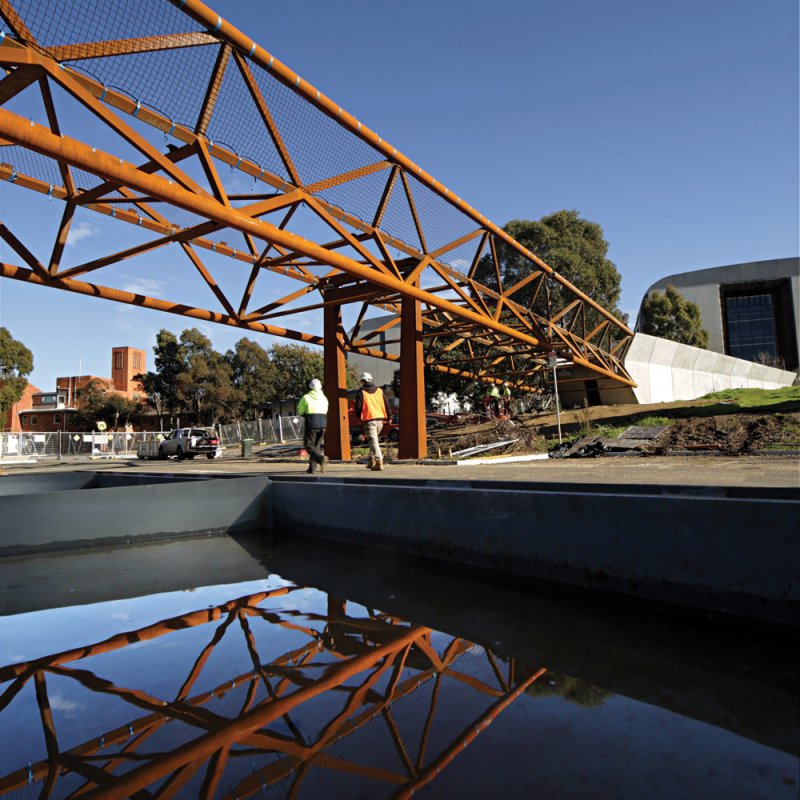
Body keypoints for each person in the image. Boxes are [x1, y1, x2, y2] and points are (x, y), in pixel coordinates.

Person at [355, 372, 389, 471]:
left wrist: (360, 416)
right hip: (380, 419)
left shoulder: (361, 392)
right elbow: (386, 404)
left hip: (369, 419)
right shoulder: (379, 390)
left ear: (363, 381)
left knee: (373, 441)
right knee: (372, 440)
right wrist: (389, 416)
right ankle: (372, 460)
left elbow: (358, 407)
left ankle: (379, 461)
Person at [297, 378, 329, 473]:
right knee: (316, 446)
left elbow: (300, 410)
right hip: (323, 424)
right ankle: (312, 468)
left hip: (311, 424)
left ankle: (320, 458)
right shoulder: (324, 398)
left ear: (310, 387)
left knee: (309, 446)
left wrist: (304, 413)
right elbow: (326, 409)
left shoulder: (306, 397)